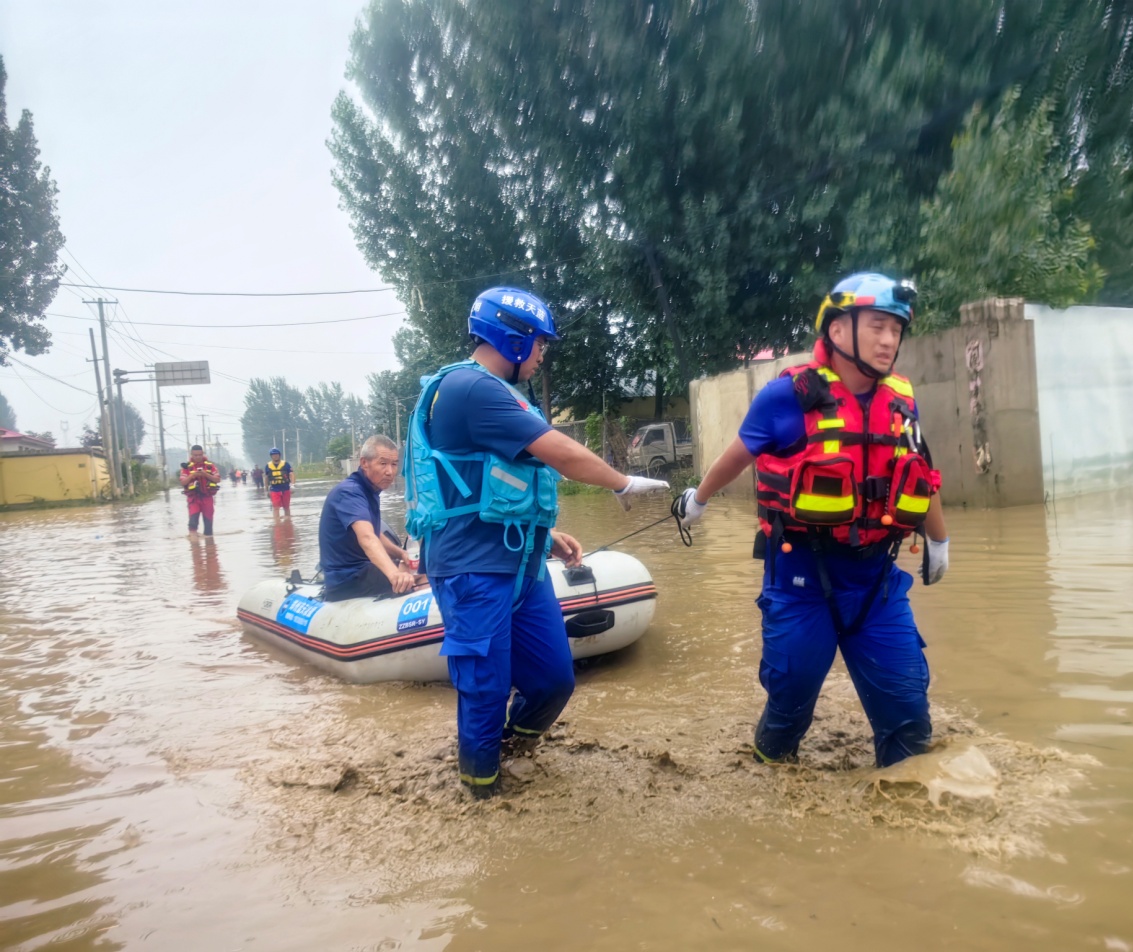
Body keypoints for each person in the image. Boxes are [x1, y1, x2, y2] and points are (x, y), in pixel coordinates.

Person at [671, 272, 950, 769]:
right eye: (879, 326)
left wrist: (939, 541)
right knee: (789, 707)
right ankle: (771, 785)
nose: (890, 340)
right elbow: (736, 456)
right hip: (801, 577)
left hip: (876, 581)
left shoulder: (903, 400)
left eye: (897, 329)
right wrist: (700, 500)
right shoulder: (787, 397)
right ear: (839, 330)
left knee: (909, 719)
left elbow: (919, 473)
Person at [407, 286, 669, 798]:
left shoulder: (500, 394)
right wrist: (622, 482)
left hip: (521, 564)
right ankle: (482, 797)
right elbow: (561, 453)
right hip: (472, 570)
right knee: (485, 691)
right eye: (540, 344)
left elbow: (493, 485)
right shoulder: (470, 388)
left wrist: (543, 535)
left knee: (554, 681)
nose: (544, 354)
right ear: (514, 338)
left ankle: (510, 751)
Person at [319, 434, 426, 601]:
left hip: (362, 571)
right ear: (364, 463)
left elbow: (375, 533)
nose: (390, 472)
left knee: (417, 565)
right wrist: (394, 575)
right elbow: (367, 538)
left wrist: (401, 553)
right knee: (426, 575)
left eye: (394, 464)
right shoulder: (350, 493)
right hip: (347, 580)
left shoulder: (370, 490)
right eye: (383, 463)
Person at [179, 444, 220, 536]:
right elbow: (183, 482)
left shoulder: (210, 466)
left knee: (208, 524)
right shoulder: (186, 468)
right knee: (193, 522)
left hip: (207, 498)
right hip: (193, 499)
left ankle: (210, 545)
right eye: (195, 455)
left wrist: (206, 474)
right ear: (191, 455)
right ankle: (194, 545)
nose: (198, 457)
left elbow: (217, 479)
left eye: (200, 455)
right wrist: (192, 475)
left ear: (203, 454)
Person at [265, 448, 294, 517]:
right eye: (273, 455)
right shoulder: (268, 466)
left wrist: (292, 485)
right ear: (271, 456)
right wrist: (266, 490)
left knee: (286, 507)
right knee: (276, 508)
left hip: (285, 488)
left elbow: (291, 474)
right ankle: (277, 524)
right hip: (274, 489)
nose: (275, 456)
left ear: (279, 455)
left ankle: (287, 521)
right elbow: (266, 478)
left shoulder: (286, 464)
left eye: (276, 454)